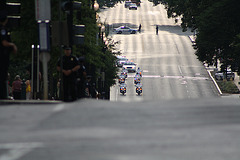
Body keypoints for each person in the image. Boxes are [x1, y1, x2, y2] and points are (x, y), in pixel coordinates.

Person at [0, 12, 17, 99]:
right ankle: (2, 95)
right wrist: (12, 45)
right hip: (2, 56)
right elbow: (4, 42)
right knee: (3, 75)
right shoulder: (2, 29)